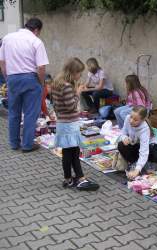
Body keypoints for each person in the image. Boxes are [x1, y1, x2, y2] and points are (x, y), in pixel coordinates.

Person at [0, 18, 49, 152]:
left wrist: (7, 78)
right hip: (30, 79)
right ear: (37, 30)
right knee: (30, 113)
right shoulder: (36, 41)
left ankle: (14, 143)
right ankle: (27, 145)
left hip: (12, 78)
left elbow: (2, 62)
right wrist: (41, 82)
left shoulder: (7, 38)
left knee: (14, 112)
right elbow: (41, 67)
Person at [52, 57, 99, 191]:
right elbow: (71, 106)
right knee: (73, 152)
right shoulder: (66, 86)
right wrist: (78, 93)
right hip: (69, 124)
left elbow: (56, 104)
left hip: (62, 122)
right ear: (72, 72)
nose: (80, 76)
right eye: (79, 73)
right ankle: (80, 179)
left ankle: (68, 179)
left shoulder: (57, 83)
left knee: (68, 152)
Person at [118, 106, 157, 180]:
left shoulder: (145, 129)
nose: (131, 121)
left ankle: (146, 163)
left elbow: (144, 151)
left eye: (135, 120)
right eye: (131, 117)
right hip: (135, 144)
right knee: (121, 145)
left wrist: (137, 170)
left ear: (143, 120)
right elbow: (123, 133)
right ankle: (134, 162)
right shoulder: (128, 118)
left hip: (149, 146)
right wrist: (124, 138)